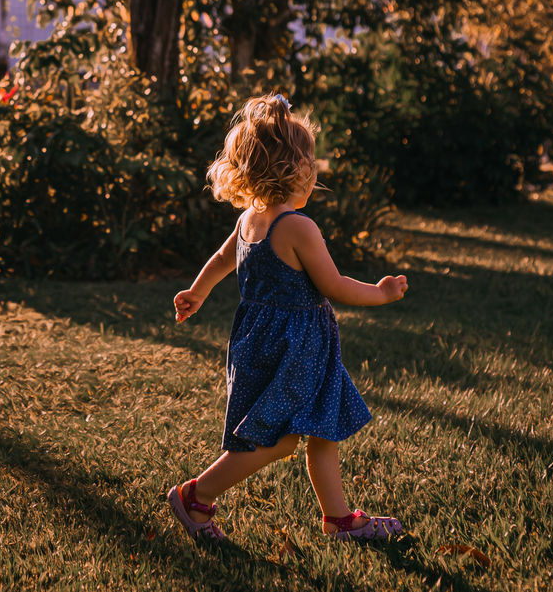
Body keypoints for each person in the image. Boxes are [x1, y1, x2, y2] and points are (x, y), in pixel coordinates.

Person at [167, 93, 407, 545]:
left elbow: (222, 260)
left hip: (261, 342)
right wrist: (380, 292)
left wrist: (197, 291)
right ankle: (196, 496)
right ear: (295, 169)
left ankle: (338, 519)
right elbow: (333, 285)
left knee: (322, 427)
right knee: (277, 440)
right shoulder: (298, 226)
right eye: (310, 161)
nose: (314, 170)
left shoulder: (250, 220)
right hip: (295, 349)